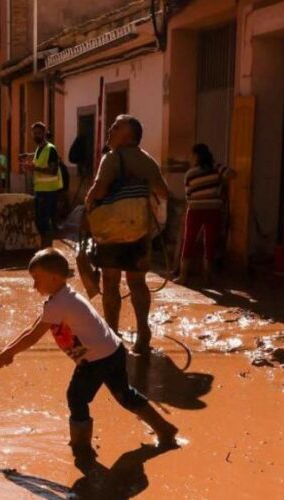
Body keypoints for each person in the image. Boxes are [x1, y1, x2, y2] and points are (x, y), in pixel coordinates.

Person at [0, 248, 178, 455]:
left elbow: (34, 336)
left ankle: (81, 447)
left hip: (95, 360)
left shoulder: (59, 304)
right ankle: (164, 429)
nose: (34, 284)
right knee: (125, 394)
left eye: (37, 278)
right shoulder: (64, 296)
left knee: (76, 397)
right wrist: (8, 350)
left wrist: (10, 353)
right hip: (113, 350)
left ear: (54, 278)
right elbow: (33, 328)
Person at [85, 115, 169, 355]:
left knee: (110, 282)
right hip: (139, 230)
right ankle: (143, 333)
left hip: (111, 232)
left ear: (129, 135)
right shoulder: (147, 160)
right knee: (137, 282)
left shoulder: (111, 158)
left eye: (116, 127)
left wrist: (88, 203)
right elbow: (163, 192)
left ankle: (111, 334)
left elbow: (99, 189)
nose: (110, 130)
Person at [176, 143, 231, 286]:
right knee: (210, 243)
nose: (190, 157)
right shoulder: (217, 168)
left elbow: (188, 195)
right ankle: (208, 277)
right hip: (213, 210)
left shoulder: (189, 174)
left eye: (192, 155)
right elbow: (232, 174)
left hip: (195, 210)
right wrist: (221, 180)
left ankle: (183, 277)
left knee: (188, 241)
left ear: (197, 156)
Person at [29, 122, 64, 248]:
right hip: (40, 190)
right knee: (40, 222)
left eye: (38, 133)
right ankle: (45, 249)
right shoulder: (39, 149)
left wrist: (34, 168)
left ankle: (48, 251)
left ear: (44, 133)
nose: (36, 136)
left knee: (45, 222)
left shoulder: (50, 149)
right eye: (34, 133)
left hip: (49, 191)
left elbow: (53, 170)